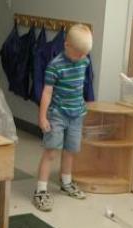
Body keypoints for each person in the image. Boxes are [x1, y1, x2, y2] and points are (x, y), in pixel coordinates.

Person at [33, 24, 93, 212]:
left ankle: (66, 182)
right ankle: (41, 189)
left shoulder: (84, 61)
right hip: (57, 115)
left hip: (76, 115)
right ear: (67, 46)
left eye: (85, 54)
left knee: (70, 151)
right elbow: (47, 93)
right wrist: (42, 117)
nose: (82, 57)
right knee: (51, 151)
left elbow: (81, 87)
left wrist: (85, 106)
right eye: (79, 53)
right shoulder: (55, 66)